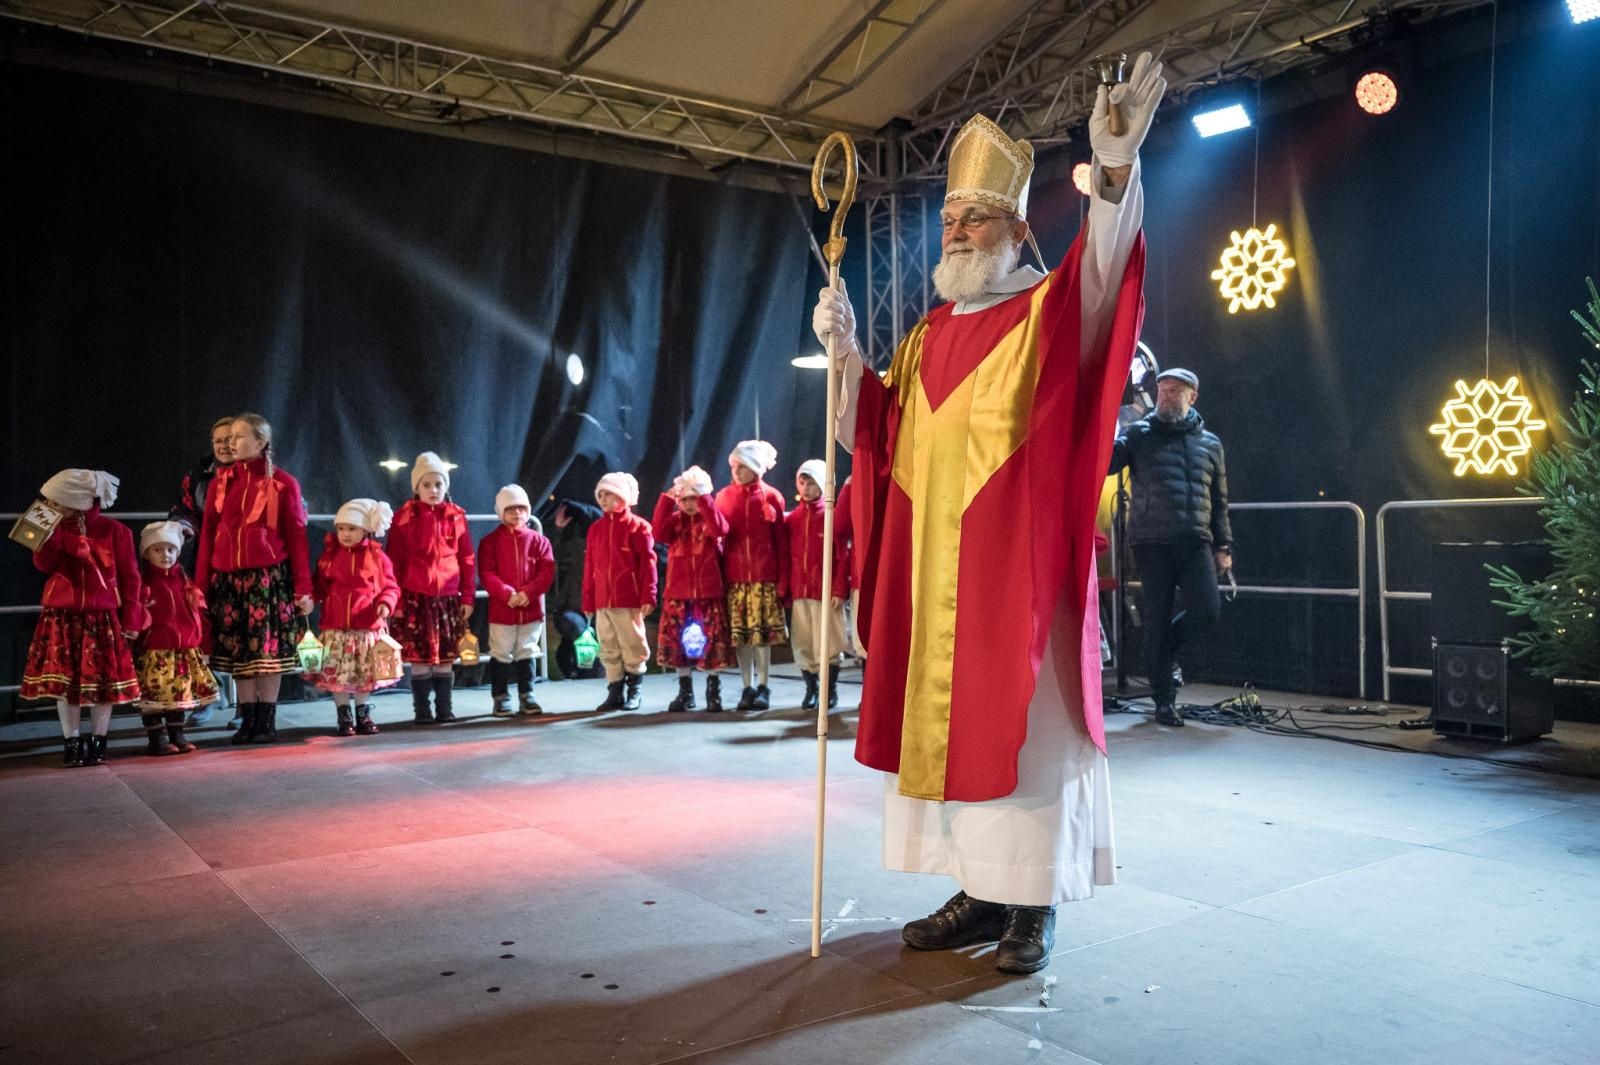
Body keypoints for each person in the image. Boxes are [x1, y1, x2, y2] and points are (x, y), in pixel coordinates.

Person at [811, 53, 1164, 975]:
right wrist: (846, 358)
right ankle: (980, 890)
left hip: (1020, 580)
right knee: (954, 740)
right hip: (938, 580)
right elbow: (879, 435)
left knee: (1027, 743)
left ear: (1016, 228)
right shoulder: (928, 333)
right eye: (949, 218)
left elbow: (1107, 271)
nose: (957, 230)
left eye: (975, 217)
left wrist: (1114, 171)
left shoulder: (1050, 312)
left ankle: (1032, 906)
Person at [1107, 367, 1232, 726]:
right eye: (1162, 390)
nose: (1165, 396)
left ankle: (1165, 651)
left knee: (1207, 610)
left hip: (1195, 540)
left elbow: (1219, 500)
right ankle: (1164, 701)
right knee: (1156, 620)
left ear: (1192, 396)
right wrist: (1099, 429)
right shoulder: (1139, 433)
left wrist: (1224, 545)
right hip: (1152, 541)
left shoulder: (1210, 444)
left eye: (1174, 390)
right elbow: (1108, 464)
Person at [194, 412, 313, 745]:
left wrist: (303, 588)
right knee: (239, 655)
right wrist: (200, 585)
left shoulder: (283, 483)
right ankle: (247, 718)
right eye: (228, 437)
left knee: (266, 654)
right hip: (229, 581)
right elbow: (208, 536)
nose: (231, 443)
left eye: (239, 436)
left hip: (266, 580)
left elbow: (297, 538)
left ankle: (266, 719)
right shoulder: (220, 483)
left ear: (261, 441)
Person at [18, 470, 144, 767]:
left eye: (54, 501)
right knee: (66, 683)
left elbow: (131, 578)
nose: (48, 506)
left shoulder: (116, 532)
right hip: (63, 616)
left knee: (103, 683)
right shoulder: (53, 528)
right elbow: (44, 565)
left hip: (101, 618)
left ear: (73, 501)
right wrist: (52, 537)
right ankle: (71, 741)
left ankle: (99, 740)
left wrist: (132, 618)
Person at [387, 452, 476, 725]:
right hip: (416, 597)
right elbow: (394, 561)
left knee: (446, 657)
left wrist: (468, 595)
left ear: (445, 486)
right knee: (419, 657)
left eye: (438, 484)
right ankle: (422, 710)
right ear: (417, 487)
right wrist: (397, 601)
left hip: (447, 598)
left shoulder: (456, 516)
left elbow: (467, 558)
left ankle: (445, 708)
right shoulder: (404, 517)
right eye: (426, 485)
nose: (433, 490)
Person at [310, 499, 401, 736]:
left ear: (365, 529)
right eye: (341, 528)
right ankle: (343, 714)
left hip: (366, 628)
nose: (346, 534)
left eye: (352, 528)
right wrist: (310, 598)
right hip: (336, 628)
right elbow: (320, 584)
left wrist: (386, 603)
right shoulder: (330, 556)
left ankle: (363, 712)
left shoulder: (377, 557)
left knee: (364, 675)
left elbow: (390, 586)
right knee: (336, 675)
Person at [168, 415, 235, 727]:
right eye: (217, 441)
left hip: (245, 565)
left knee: (243, 632)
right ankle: (209, 694)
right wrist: (182, 527)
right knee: (203, 629)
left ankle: (248, 707)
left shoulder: (259, 474)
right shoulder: (198, 475)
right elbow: (184, 510)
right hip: (205, 562)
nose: (223, 446)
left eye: (229, 440)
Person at [651, 465, 733, 712]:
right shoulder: (675, 523)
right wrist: (667, 500)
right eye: (684, 499)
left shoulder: (711, 520)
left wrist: (706, 501)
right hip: (678, 594)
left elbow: (721, 529)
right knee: (678, 644)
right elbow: (658, 531)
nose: (689, 504)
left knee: (712, 643)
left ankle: (713, 690)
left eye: (694, 499)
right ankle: (685, 691)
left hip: (708, 593)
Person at [133, 521, 217, 755]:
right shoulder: (144, 584)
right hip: (154, 650)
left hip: (182, 649)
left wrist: (201, 643)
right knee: (153, 696)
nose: (165, 555)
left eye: (170, 549)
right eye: (158, 550)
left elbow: (197, 613)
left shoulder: (184, 581)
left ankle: (177, 735)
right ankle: (156, 739)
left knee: (179, 694)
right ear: (147, 553)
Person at [716, 441, 787, 710]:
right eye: (734, 466)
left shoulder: (772, 497)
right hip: (736, 578)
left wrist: (783, 580)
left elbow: (781, 541)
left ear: (755, 468)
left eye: (742, 467)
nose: (736, 472)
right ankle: (746, 686)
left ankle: (764, 686)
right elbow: (719, 539)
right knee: (741, 637)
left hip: (763, 577)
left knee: (761, 637)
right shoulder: (724, 497)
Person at [478, 485, 556, 716]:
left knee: (527, 651)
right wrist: (507, 594)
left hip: (530, 610)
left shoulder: (540, 541)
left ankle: (527, 695)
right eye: (510, 509)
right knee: (500, 652)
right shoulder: (490, 542)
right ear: (501, 512)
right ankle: (501, 697)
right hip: (502, 611)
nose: (517, 513)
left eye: (521, 508)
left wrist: (528, 593)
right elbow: (487, 574)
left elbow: (547, 572)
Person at [582, 472, 656, 712]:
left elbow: (648, 564)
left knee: (633, 644)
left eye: (609, 494)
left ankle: (634, 690)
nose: (603, 499)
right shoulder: (596, 529)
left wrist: (648, 594)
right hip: (603, 600)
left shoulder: (638, 527)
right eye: (601, 495)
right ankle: (615, 691)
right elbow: (590, 567)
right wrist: (588, 599)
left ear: (622, 496)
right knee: (608, 645)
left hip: (628, 599)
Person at [783, 459, 849, 711]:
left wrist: (839, 589)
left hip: (825, 592)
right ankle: (811, 689)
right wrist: (786, 588)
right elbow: (786, 556)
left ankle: (829, 690)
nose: (806, 487)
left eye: (811, 482)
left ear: (822, 483)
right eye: (802, 482)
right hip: (800, 591)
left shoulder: (831, 516)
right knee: (803, 643)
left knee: (828, 643)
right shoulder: (792, 520)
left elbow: (842, 556)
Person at [547, 497, 601, 679]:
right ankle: (585, 673)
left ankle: (587, 674)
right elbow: (549, 553)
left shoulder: (608, 546)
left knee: (589, 641)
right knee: (582, 634)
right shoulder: (579, 546)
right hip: (571, 610)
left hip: (598, 612)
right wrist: (558, 529)